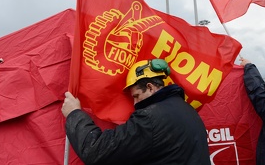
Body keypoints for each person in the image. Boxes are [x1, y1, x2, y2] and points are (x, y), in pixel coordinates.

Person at [62, 59, 211, 165]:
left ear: (151, 87)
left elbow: (97, 151)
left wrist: (74, 113)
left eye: (136, 96)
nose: (134, 103)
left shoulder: (150, 118)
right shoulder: (189, 111)